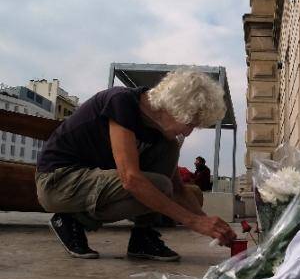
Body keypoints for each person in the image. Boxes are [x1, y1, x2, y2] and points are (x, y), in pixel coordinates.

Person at [35, 70, 237, 261]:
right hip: (58, 181)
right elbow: (131, 179)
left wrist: (210, 224)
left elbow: (177, 189)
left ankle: (142, 236)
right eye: (190, 123)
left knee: (169, 151)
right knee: (159, 185)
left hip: (92, 180)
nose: (188, 133)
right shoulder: (121, 102)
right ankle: (72, 220)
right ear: (174, 108)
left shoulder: (161, 133)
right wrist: (193, 222)